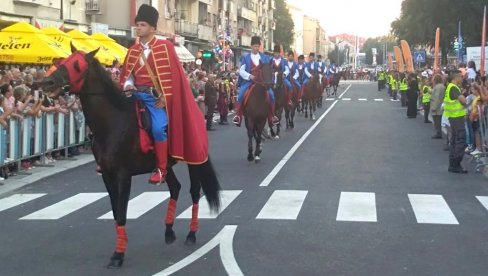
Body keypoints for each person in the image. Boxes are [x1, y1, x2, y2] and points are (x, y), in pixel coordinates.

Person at [119, 4, 208, 184]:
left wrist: (164, 98)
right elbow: (128, 76)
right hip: (134, 96)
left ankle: (161, 168)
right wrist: (128, 85)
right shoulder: (132, 50)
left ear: (153, 28)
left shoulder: (165, 47)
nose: (139, 27)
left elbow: (174, 77)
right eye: (138, 24)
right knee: (115, 121)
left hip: (154, 99)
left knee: (159, 129)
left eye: (143, 24)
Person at [233, 36, 278, 126]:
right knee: (241, 94)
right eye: (255, 46)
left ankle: (272, 116)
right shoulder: (246, 58)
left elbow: (268, 69)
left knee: (272, 95)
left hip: (262, 83)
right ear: (251, 46)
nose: (256, 48)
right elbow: (241, 71)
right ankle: (238, 116)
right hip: (249, 81)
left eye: (258, 46)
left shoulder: (264, 57)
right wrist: (250, 76)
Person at [443, 70, 467, 173]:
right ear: (455, 78)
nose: (462, 79)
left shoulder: (450, 87)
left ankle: (453, 164)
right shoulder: (453, 87)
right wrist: (464, 99)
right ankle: (456, 163)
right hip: (457, 118)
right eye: (460, 77)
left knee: (454, 140)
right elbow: (463, 100)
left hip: (453, 118)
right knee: (460, 139)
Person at [430, 74, 445, 139]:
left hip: (437, 108)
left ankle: (438, 133)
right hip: (440, 106)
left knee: (437, 121)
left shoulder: (438, 87)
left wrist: (434, 107)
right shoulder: (441, 86)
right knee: (437, 120)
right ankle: (438, 132)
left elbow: (437, 97)